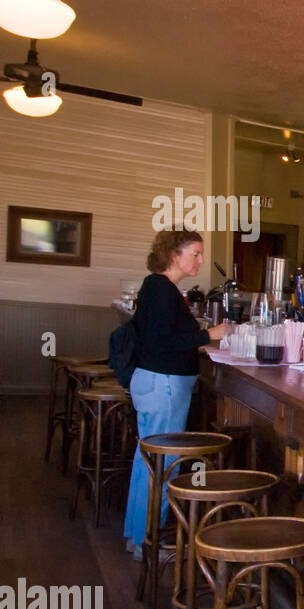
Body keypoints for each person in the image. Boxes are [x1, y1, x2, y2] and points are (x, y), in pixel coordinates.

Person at [123, 229, 230, 558]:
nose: (200, 259)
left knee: (149, 462)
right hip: (163, 384)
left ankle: (138, 536)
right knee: (164, 463)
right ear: (174, 255)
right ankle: (148, 541)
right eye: (195, 253)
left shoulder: (159, 288)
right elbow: (159, 342)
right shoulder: (163, 290)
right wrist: (207, 334)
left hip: (157, 382)